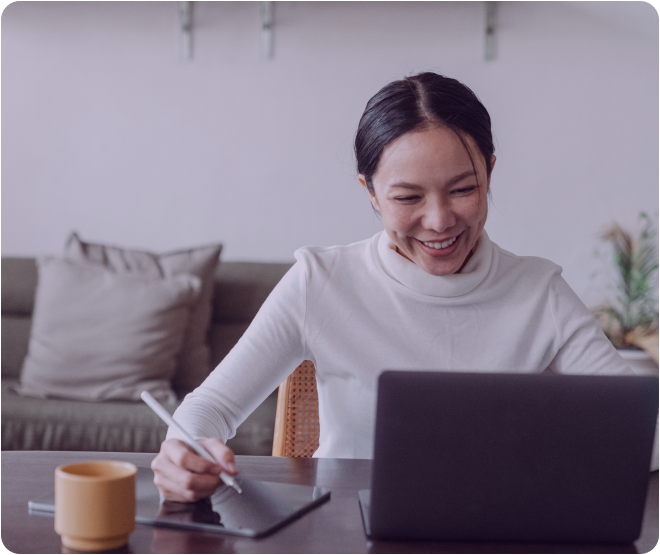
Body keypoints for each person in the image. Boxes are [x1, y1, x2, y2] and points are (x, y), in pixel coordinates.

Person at [151, 72, 657, 502]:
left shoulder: (539, 292)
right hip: (343, 532)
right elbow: (210, 407)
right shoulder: (320, 283)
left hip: (497, 533)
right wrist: (184, 451)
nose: (438, 221)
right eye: (407, 197)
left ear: (490, 173)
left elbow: (643, 429)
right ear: (369, 192)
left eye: (464, 189)